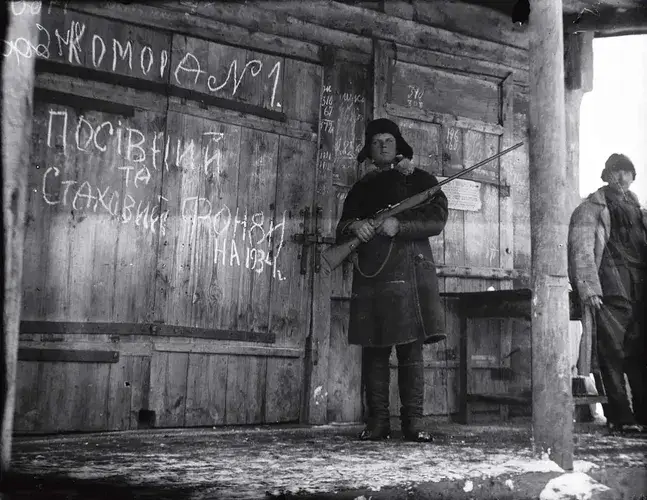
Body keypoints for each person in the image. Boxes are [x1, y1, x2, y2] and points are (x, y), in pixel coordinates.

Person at [335, 118, 448, 442]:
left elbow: (437, 219)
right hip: (373, 275)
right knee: (375, 351)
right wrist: (356, 227)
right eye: (376, 142)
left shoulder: (422, 181)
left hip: (411, 275)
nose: (383, 145)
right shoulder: (361, 188)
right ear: (369, 151)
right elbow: (343, 227)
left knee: (411, 352)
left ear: (399, 145)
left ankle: (414, 424)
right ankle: (378, 424)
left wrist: (401, 227)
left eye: (388, 140)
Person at [568, 153, 647, 435]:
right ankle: (620, 417)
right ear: (606, 175)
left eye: (627, 172)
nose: (622, 178)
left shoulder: (640, 211)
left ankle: (643, 415)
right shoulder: (591, 209)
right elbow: (581, 252)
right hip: (611, 291)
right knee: (611, 354)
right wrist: (588, 289)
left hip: (639, 292)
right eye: (616, 172)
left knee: (638, 355)